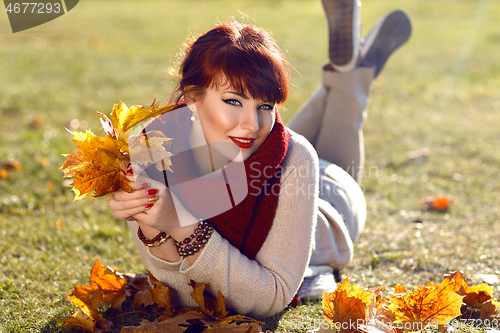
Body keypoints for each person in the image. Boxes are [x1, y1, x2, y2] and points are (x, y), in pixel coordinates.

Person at [108, 0, 412, 318]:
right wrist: (153, 226)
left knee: (315, 139)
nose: (252, 124)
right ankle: (350, 71)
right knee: (327, 113)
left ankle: (349, 72)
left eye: (266, 105)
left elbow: (270, 299)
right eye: (233, 101)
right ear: (192, 97)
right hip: (273, 165)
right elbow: (182, 296)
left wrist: (179, 225)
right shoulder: (152, 152)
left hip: (328, 200)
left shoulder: (295, 155)